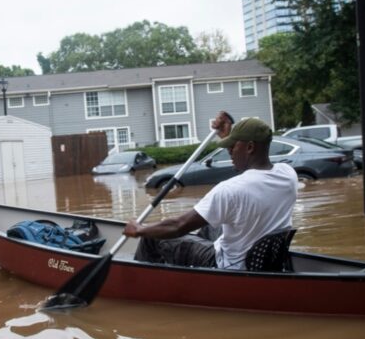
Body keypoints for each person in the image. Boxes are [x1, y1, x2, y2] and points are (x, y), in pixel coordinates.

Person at [123, 111, 298, 270]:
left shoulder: (229, 190)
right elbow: (254, 175)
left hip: (228, 264)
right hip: (262, 258)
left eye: (232, 146)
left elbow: (178, 226)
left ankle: (141, 278)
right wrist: (230, 134)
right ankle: (188, 265)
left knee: (153, 236)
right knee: (208, 222)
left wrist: (139, 229)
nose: (228, 151)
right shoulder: (288, 174)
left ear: (250, 147)